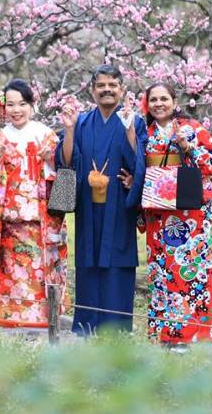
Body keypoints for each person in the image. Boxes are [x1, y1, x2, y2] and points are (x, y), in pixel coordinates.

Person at [58, 64, 147, 334]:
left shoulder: (135, 120)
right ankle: (86, 328)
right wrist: (70, 131)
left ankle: (116, 331)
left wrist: (131, 132)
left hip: (118, 205)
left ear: (122, 89)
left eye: (113, 85)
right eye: (101, 85)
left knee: (118, 263)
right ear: (92, 90)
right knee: (87, 263)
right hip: (88, 206)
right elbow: (65, 161)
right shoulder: (81, 122)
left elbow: (139, 163)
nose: (107, 90)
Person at [135, 82, 212, 343]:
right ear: (147, 104)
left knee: (190, 269)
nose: (158, 104)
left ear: (174, 101)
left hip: (189, 215)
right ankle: (164, 333)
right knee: (160, 271)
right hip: (157, 214)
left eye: (164, 99)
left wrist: (188, 147)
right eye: (153, 100)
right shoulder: (144, 132)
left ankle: (194, 333)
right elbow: (137, 166)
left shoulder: (192, 128)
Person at [0, 79, 68, 328]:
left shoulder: (46, 134)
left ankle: (44, 315)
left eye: (22, 104)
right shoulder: (1, 135)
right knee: (12, 267)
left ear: (32, 105)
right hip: (9, 213)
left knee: (41, 265)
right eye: (11, 105)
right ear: (4, 107)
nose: (16, 109)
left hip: (41, 214)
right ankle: (11, 314)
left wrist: (49, 158)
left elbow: (60, 172)